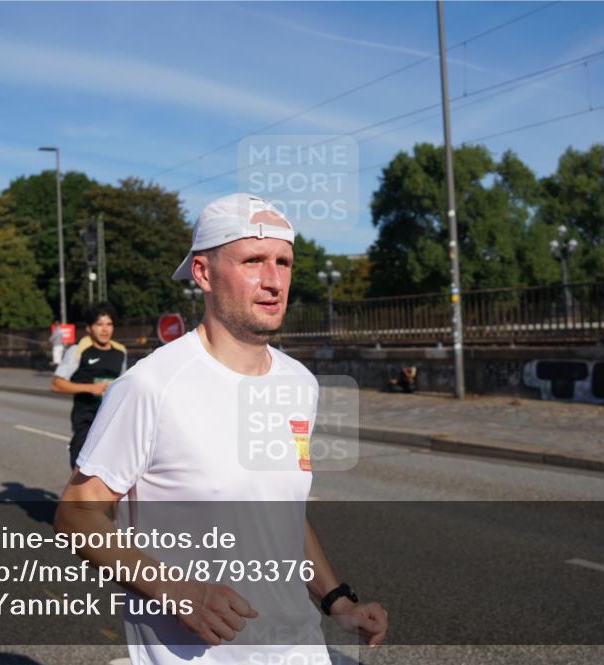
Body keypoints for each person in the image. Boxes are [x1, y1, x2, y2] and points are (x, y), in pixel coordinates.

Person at [55, 194, 387, 664]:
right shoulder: (151, 385)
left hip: (299, 648)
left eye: (283, 262)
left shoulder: (299, 383)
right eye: (253, 261)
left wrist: (338, 601)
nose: (273, 281)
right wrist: (177, 591)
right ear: (203, 273)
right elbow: (75, 517)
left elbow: (280, 509)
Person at [51, 303, 127, 469]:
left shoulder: (120, 352)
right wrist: (90, 388)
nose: (105, 329)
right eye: (99, 324)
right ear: (89, 328)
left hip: (112, 423)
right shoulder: (78, 350)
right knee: (81, 477)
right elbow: (56, 384)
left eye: (109, 324)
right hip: (86, 423)